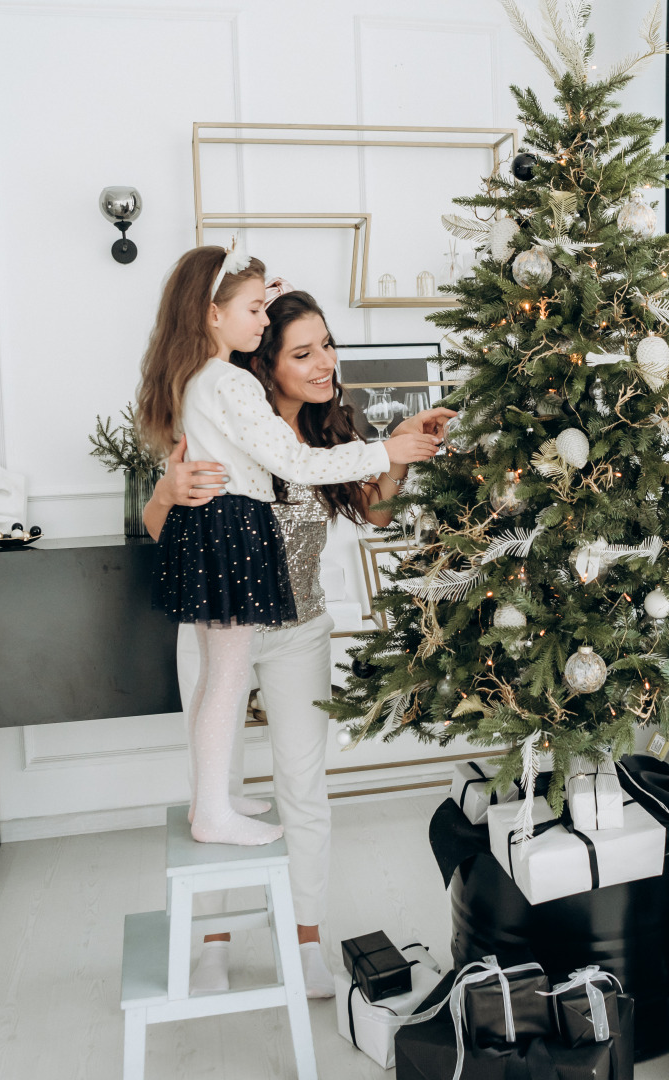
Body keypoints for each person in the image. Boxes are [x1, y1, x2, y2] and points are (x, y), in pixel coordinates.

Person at [144, 283, 454, 996]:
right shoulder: (222, 417)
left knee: (303, 790)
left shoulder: (330, 435)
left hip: (301, 630)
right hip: (222, 628)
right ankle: (215, 944)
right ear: (266, 362)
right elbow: (163, 533)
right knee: (215, 790)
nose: (325, 365)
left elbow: (376, 515)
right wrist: (168, 492)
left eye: (329, 346)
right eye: (304, 352)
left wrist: (400, 451)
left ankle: (306, 939)